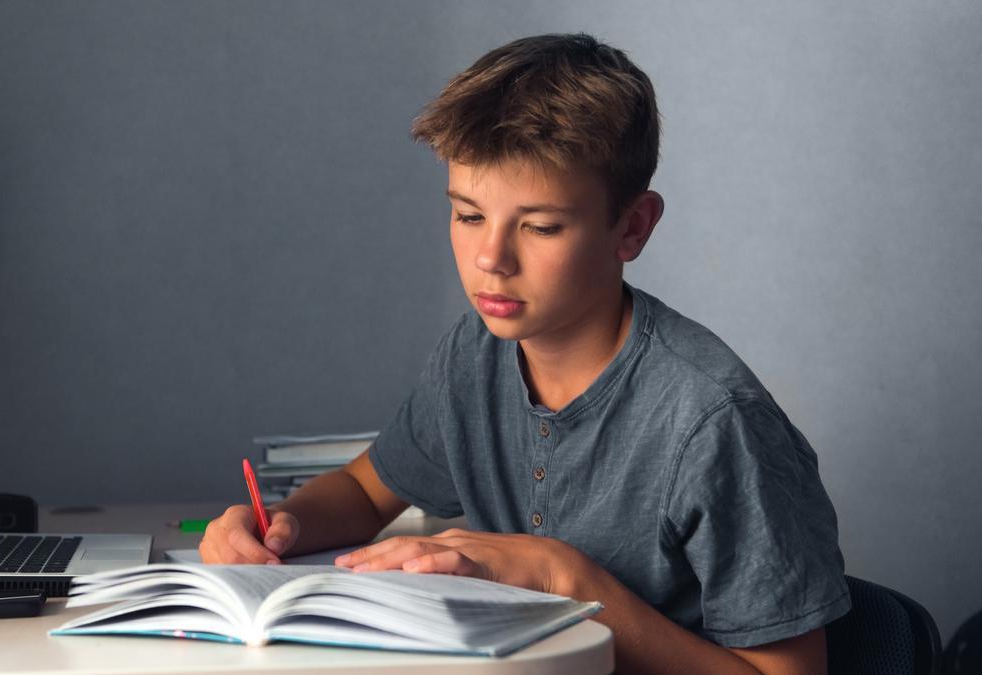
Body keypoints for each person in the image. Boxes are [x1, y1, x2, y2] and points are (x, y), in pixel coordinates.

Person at [200, 33, 850, 674]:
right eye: (468, 215)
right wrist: (280, 525)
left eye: (539, 226)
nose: (491, 259)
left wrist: (559, 575)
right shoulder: (473, 356)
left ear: (632, 227)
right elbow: (364, 493)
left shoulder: (714, 422)